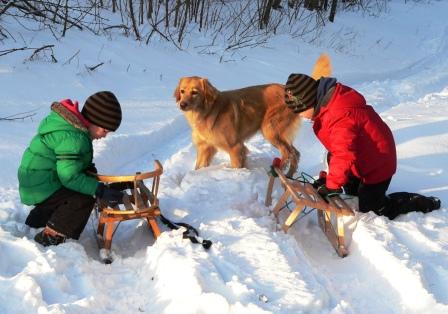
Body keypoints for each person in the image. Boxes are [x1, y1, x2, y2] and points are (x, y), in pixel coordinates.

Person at [284, 73, 441, 220]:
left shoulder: (340, 115)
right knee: (353, 192)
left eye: (301, 111)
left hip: (378, 163)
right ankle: (352, 188)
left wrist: (332, 186)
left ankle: (419, 203)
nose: (301, 115)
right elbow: (339, 150)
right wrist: (330, 180)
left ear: (310, 101)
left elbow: (343, 154)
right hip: (359, 158)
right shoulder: (328, 108)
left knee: (372, 208)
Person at [18, 91, 125, 246]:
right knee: (85, 196)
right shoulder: (74, 139)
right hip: (41, 186)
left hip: (37, 183)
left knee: (82, 187)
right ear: (93, 121)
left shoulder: (71, 130)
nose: (104, 136)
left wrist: (89, 171)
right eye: (104, 130)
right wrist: (98, 190)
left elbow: (72, 163)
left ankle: (39, 219)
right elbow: (69, 177)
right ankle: (51, 235)